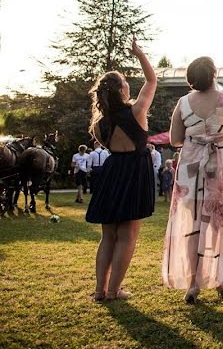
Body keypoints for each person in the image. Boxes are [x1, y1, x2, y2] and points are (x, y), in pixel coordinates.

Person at [162, 58, 223, 303]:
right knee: (221, 223)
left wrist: (198, 137)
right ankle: (221, 279)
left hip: (191, 165)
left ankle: (193, 284)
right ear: (214, 74)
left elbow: (174, 139)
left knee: (193, 224)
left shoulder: (183, 103)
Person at [85, 38, 157, 301]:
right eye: (126, 81)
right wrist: (139, 54)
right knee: (127, 236)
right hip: (134, 172)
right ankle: (114, 290)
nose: (129, 84)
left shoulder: (99, 125)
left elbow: (109, 146)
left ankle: (99, 291)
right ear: (121, 89)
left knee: (108, 237)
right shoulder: (137, 111)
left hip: (112, 171)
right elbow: (152, 81)